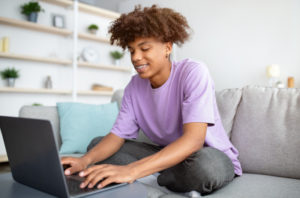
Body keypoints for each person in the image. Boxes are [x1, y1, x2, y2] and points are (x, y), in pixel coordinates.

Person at [61, 5, 242, 195]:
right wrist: (84, 160)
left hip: (206, 156)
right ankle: (159, 173)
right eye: (131, 51)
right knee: (96, 144)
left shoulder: (193, 72)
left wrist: (132, 169)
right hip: (166, 155)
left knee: (206, 167)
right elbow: (117, 136)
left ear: (167, 47)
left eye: (144, 48)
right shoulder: (134, 87)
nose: (136, 58)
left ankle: (148, 174)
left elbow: (194, 141)